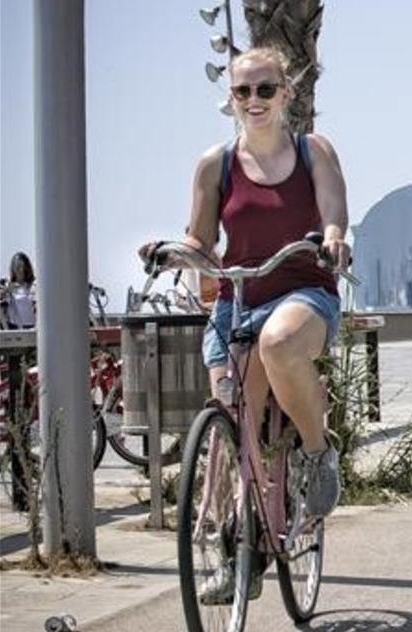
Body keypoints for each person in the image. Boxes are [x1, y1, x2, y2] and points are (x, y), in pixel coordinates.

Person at [143, 47, 350, 524]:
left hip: (304, 292)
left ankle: (317, 453)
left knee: (277, 343)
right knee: (228, 419)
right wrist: (169, 251)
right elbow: (201, 240)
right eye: (242, 90)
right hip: (239, 301)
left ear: (285, 93)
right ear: (230, 97)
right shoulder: (214, 165)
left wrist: (334, 238)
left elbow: (334, 212)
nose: (253, 100)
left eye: (265, 89)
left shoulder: (311, 150)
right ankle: (229, 539)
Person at [0, 253, 37, 330]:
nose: (20, 270)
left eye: (22, 266)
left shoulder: (34, 284)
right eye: (17, 267)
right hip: (13, 326)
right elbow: (1, 303)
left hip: (32, 326)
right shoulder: (7, 284)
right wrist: (6, 291)